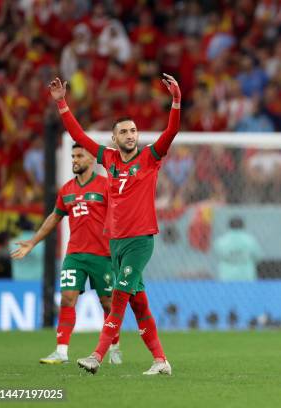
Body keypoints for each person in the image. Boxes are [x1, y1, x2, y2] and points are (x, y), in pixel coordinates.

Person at [48, 72, 181, 375]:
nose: (131, 135)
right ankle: (161, 361)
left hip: (139, 240)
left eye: (133, 131)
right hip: (115, 243)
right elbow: (79, 137)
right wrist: (62, 104)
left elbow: (171, 131)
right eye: (124, 132)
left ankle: (96, 355)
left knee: (119, 298)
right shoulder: (108, 159)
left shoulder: (149, 158)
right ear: (114, 138)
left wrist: (175, 100)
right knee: (139, 304)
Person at [11, 144, 121, 365]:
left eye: (79, 156)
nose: (75, 160)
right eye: (73, 156)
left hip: (103, 255)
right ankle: (61, 351)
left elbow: (121, 215)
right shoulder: (67, 190)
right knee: (67, 299)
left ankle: (114, 346)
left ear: (92, 159)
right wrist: (32, 242)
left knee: (108, 304)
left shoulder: (105, 186)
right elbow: (54, 217)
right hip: (75, 255)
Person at [212, 217, 262, 281]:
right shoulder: (250, 240)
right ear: (243, 226)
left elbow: (217, 255)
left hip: (227, 275)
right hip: (246, 275)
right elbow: (258, 256)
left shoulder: (221, 241)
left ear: (228, 226)